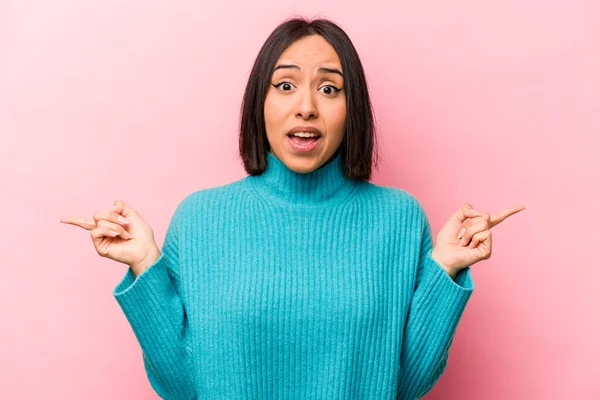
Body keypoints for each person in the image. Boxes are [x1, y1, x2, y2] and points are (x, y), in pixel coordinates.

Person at [60, 16, 525, 400]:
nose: (306, 106)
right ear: (259, 102)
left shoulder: (398, 219)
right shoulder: (202, 218)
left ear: (353, 108)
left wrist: (444, 270)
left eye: (329, 89)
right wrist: (146, 266)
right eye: (285, 86)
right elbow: (183, 386)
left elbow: (402, 384)